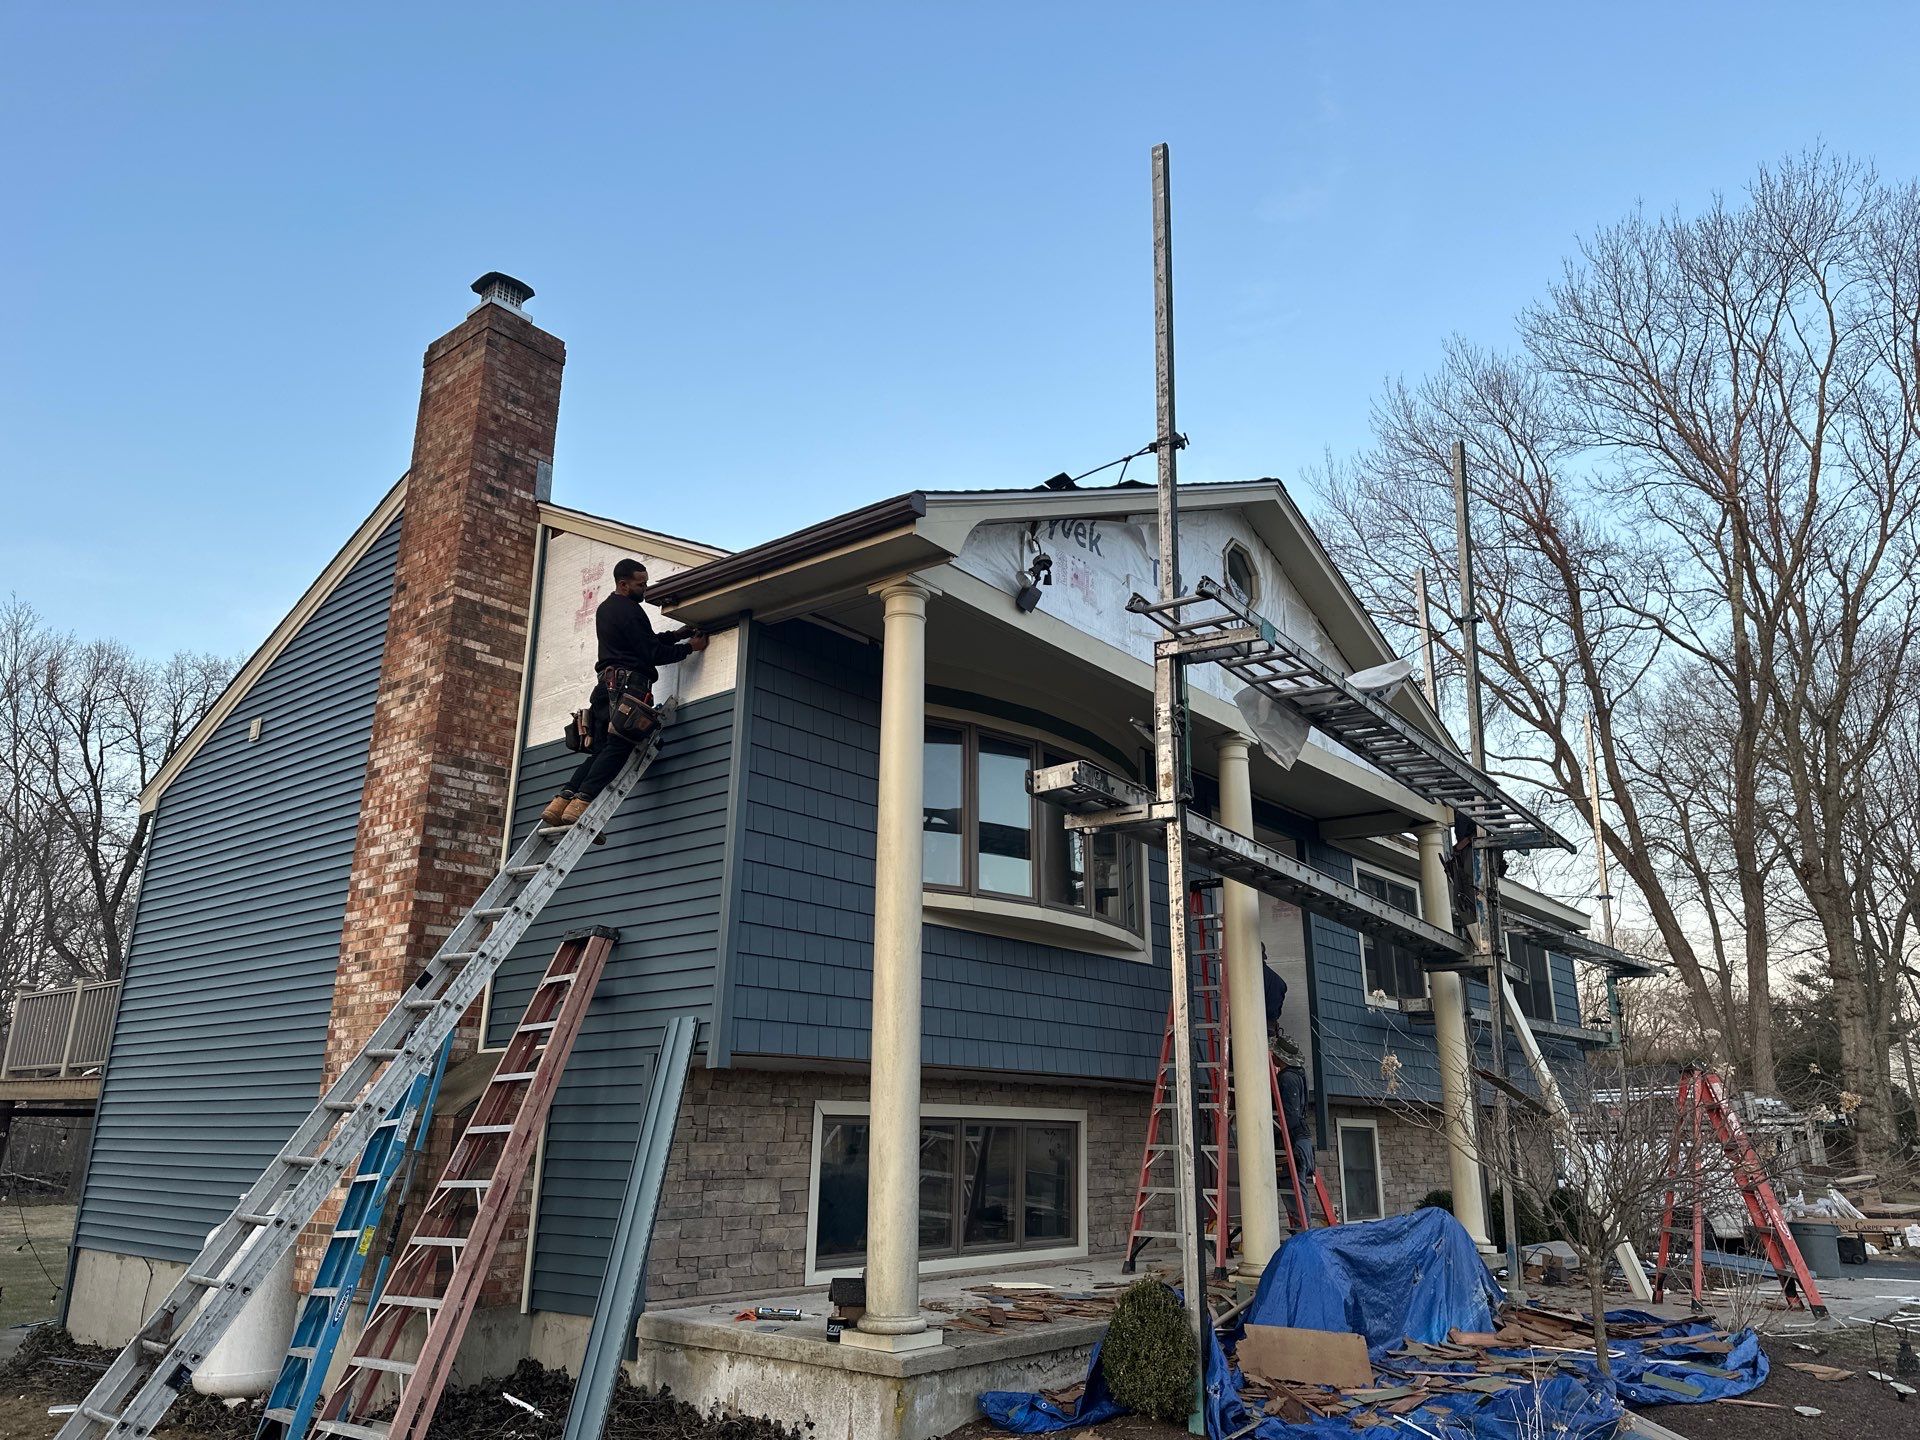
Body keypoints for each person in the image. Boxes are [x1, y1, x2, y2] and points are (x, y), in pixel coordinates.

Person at [543, 558, 707, 826]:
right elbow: (651, 652)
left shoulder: (607, 609)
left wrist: (676, 635)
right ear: (623, 584)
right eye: (640, 584)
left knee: (603, 749)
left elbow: (643, 642)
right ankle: (581, 803)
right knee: (618, 748)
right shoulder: (630, 610)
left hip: (604, 688)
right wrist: (690, 648)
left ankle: (562, 801)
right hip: (629, 688)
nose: (645, 588)